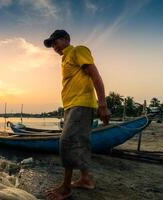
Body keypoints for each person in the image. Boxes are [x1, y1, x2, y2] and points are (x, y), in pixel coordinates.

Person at [43, 30, 110, 200]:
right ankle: (85, 179)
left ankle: (66, 187)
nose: (54, 46)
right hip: (72, 105)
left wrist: (103, 104)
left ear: (66, 39)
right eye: (51, 45)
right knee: (80, 141)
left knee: (67, 141)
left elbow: (96, 76)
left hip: (81, 104)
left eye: (56, 42)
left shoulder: (77, 50)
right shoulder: (65, 59)